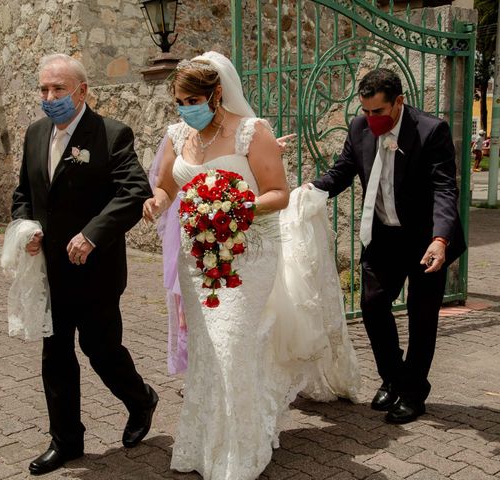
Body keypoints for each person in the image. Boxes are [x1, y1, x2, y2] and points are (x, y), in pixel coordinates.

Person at [144, 51, 360, 480]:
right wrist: (157, 202)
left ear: (216, 93)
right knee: (206, 350)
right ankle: (204, 443)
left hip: (250, 252)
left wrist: (236, 207)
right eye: (179, 100)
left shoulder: (251, 133)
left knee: (232, 345)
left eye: (192, 99)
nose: (185, 107)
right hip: (197, 258)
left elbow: (278, 192)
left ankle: (241, 449)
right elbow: (168, 186)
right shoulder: (177, 134)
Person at [11, 54, 158, 476]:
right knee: (54, 355)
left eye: (58, 89)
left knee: (101, 350)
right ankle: (66, 441)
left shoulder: (111, 134)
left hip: (95, 270)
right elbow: (25, 192)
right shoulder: (36, 133)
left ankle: (140, 399)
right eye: (43, 89)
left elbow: (133, 191)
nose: (50, 97)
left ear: (82, 91)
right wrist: (27, 228)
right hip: (50, 272)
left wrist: (93, 233)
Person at [312, 68, 466, 424]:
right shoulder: (359, 127)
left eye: (378, 112)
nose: (370, 119)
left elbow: (445, 188)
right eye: (365, 111)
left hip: (428, 240)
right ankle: (394, 377)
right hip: (383, 237)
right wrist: (309, 193)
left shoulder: (431, 131)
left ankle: (413, 391)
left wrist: (440, 239)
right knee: (372, 305)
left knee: (421, 316)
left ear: (398, 102)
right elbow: (342, 171)